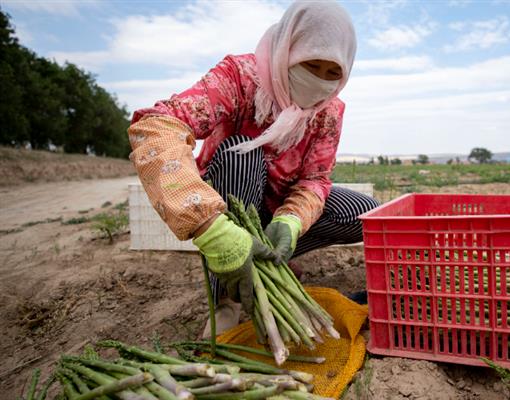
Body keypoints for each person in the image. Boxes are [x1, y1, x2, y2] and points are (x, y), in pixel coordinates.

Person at [127, 0, 379, 334]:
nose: (319, 82)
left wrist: (291, 221)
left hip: (277, 211)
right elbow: (157, 127)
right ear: (288, 48)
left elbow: (316, 179)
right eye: (310, 65)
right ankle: (226, 298)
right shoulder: (240, 78)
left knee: (364, 212)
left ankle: (271, 256)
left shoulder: (329, 112)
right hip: (230, 205)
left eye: (332, 74)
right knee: (239, 153)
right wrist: (210, 227)